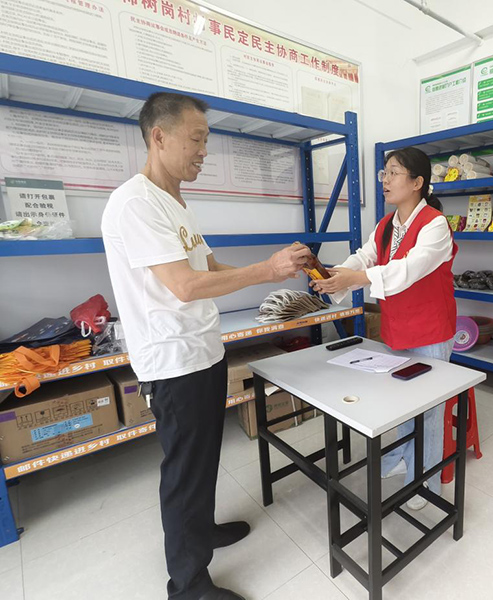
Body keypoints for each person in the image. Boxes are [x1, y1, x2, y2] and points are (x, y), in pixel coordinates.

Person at [101, 92, 312, 600]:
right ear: (159, 136)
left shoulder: (175, 202)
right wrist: (268, 270)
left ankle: (201, 531)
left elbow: (209, 267)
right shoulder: (135, 203)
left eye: (205, 141)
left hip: (202, 351)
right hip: (173, 361)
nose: (203, 151)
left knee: (202, 459)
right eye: (196, 139)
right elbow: (186, 285)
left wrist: (275, 267)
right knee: (183, 470)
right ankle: (188, 584)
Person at [311, 147, 457, 511]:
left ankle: (425, 481)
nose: (385, 180)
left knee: (429, 409)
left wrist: (355, 278)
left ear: (417, 182)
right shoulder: (386, 225)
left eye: (393, 173)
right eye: (384, 173)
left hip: (431, 329)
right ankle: (405, 457)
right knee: (402, 401)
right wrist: (333, 275)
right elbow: (365, 257)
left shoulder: (435, 224)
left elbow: (409, 269)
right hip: (398, 327)